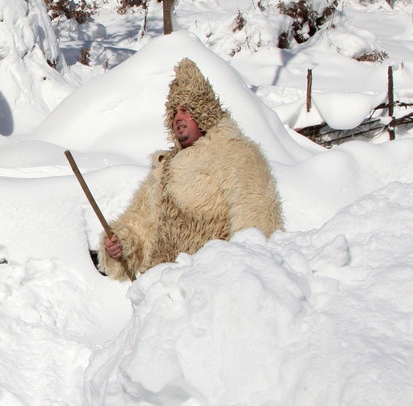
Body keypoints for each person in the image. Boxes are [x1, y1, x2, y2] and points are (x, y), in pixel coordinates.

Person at [99, 58, 283, 281]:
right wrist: (120, 243)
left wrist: (239, 280)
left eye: (185, 109)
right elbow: (140, 223)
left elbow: (256, 226)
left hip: (209, 288)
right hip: (162, 290)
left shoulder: (235, 153)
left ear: (202, 112)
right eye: (174, 112)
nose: (178, 118)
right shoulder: (164, 167)